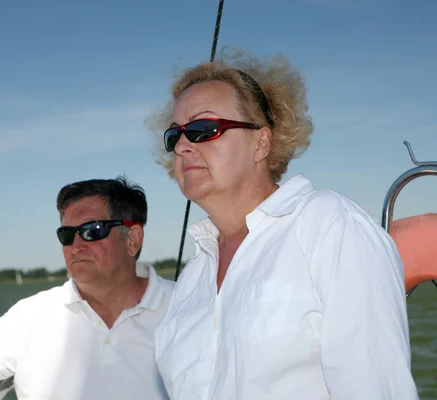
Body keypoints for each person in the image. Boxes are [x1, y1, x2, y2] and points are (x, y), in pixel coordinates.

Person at [148, 49, 420, 399]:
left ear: (261, 142)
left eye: (203, 129)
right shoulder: (193, 276)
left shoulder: (328, 226)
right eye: (175, 136)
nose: (183, 145)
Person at [0, 176, 174, 400]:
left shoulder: (188, 306)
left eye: (91, 231)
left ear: (133, 239)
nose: (75, 245)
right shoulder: (29, 316)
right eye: (66, 234)